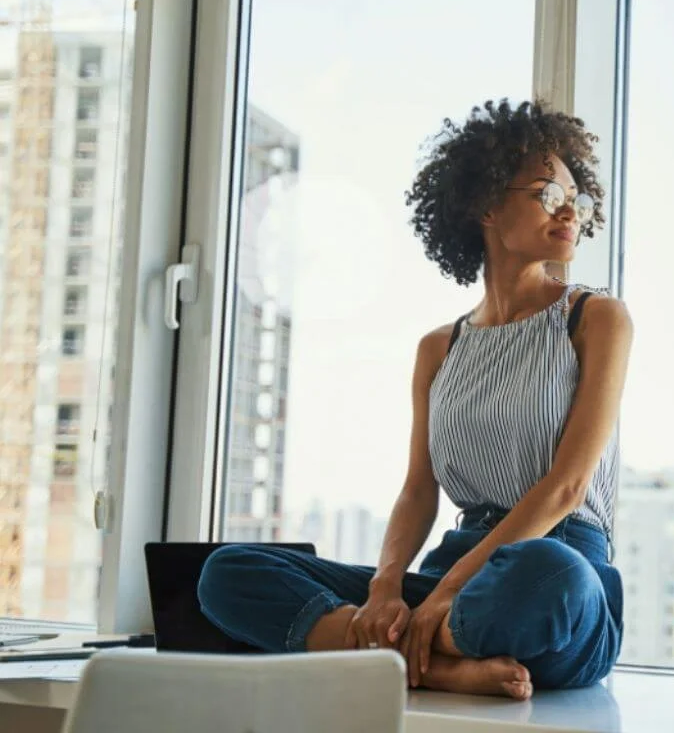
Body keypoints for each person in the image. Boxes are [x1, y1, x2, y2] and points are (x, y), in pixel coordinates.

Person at [197, 99, 633, 700]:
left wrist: (451, 589)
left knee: (550, 580)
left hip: (550, 570)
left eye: (575, 199)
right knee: (227, 574)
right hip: (453, 577)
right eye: (544, 192)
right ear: (485, 203)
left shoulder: (595, 318)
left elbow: (567, 488)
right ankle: (440, 662)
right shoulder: (439, 347)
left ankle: (392, 656)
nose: (569, 210)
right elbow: (418, 490)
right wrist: (385, 587)